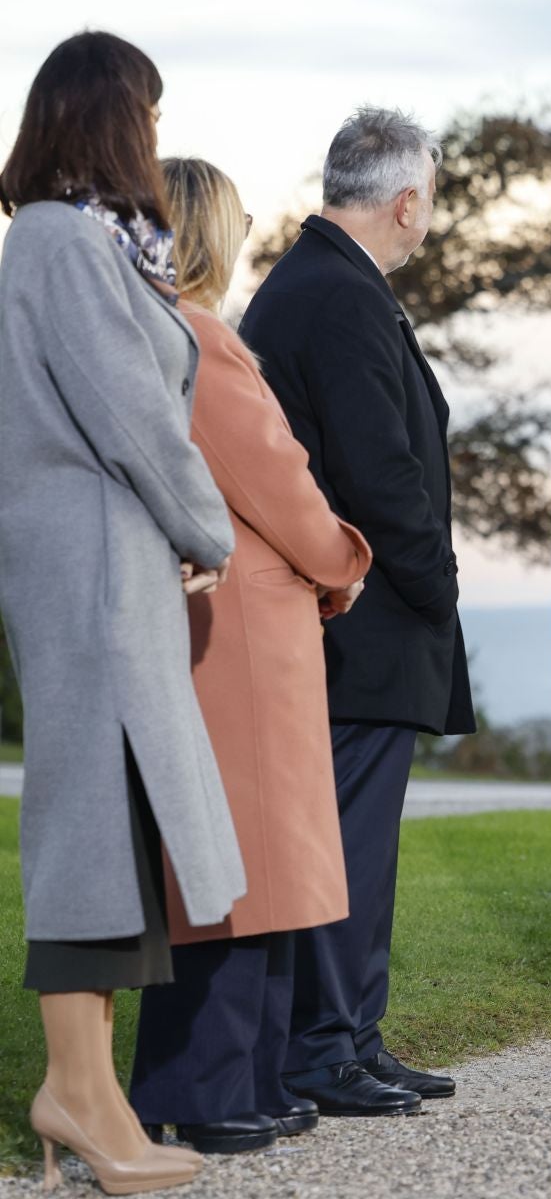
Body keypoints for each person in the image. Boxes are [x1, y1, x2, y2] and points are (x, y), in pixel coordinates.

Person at [0, 31, 242, 1192]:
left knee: (113, 834)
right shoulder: (56, 240)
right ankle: (81, 1096)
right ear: (109, 116)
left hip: (111, 560)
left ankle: (92, 1097)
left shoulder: (90, 241)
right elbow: (132, 411)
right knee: (89, 831)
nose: (153, 131)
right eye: (145, 110)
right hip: (89, 566)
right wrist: (209, 528)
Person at [128, 157, 374, 1155]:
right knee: (240, 866)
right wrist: (344, 559)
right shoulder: (201, 339)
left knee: (249, 867)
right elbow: (278, 481)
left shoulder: (152, 334)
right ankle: (209, 1085)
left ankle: (246, 1076)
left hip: (229, 625)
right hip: (246, 635)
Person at [241, 107, 473, 1116]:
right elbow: (380, 474)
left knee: (355, 844)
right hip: (361, 619)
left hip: (355, 618)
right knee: (342, 842)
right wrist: (439, 582)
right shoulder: (334, 294)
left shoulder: (328, 283)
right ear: (407, 200)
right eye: (433, 195)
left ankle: (353, 1036)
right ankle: (324, 1046)